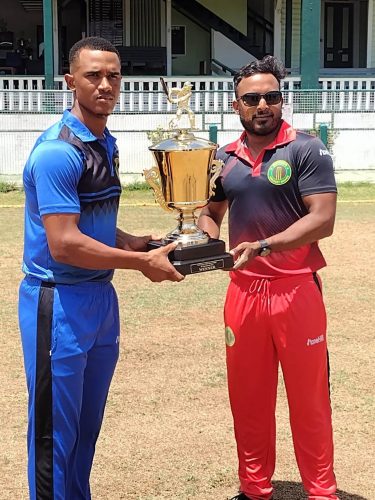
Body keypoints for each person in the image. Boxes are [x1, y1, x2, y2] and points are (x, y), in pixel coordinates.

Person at [18, 36, 183, 500]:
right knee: (55, 433)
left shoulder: (105, 142)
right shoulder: (58, 151)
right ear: (71, 81)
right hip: (59, 301)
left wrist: (135, 241)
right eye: (93, 76)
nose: (105, 85)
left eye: (113, 75)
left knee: (87, 427)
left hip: (100, 302)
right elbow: (66, 243)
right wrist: (138, 262)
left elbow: (93, 222)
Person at [198, 56, 338, 500]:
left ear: (282, 101)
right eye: (252, 98)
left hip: (295, 288)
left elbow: (323, 219)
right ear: (235, 104)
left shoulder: (306, 148)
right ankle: (255, 489)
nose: (263, 105)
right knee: (248, 399)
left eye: (272, 97)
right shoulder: (224, 158)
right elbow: (209, 212)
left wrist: (263, 246)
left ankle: (322, 492)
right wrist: (200, 243)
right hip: (242, 294)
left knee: (308, 401)